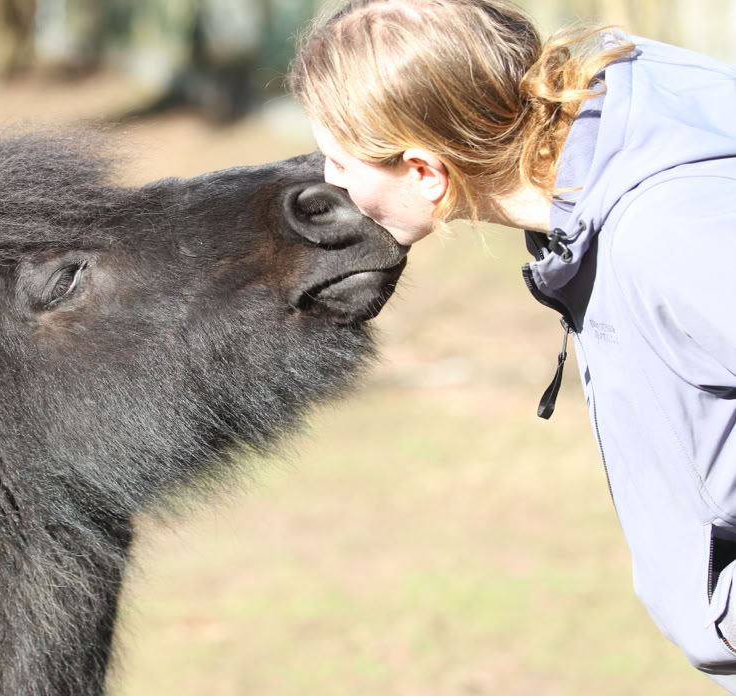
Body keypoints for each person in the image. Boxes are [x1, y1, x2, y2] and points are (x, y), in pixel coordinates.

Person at [289, 0, 736, 690]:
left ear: (426, 172)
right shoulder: (630, 121)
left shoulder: (668, 235)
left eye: (342, 162)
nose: (330, 180)